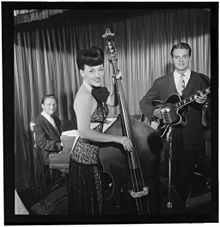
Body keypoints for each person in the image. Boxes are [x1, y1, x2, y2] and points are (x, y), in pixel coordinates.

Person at [139, 42, 210, 207]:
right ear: (172, 59)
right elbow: (144, 103)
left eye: (184, 56)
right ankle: (167, 209)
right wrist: (157, 113)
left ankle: (181, 209)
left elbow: (215, 104)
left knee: (185, 178)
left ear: (190, 57)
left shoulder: (201, 80)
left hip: (191, 138)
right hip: (167, 139)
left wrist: (205, 103)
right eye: (177, 57)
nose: (181, 60)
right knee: (166, 176)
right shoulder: (161, 82)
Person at [67, 46, 132, 215]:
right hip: (84, 161)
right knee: (90, 208)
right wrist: (117, 139)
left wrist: (115, 83)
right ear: (82, 72)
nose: (97, 75)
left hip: (96, 157)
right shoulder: (84, 96)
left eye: (100, 69)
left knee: (97, 205)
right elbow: (84, 133)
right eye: (91, 71)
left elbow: (112, 103)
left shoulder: (97, 89)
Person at [35, 94, 63, 166]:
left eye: (54, 104)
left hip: (60, 151)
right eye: (49, 104)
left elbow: (61, 135)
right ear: (43, 106)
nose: (52, 107)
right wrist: (59, 146)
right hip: (49, 155)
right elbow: (41, 142)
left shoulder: (56, 119)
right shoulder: (39, 121)